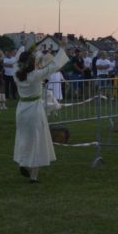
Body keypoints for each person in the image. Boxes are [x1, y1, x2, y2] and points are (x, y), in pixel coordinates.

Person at [13, 43, 69, 183]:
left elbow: (17, 60)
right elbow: (54, 65)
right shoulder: (35, 75)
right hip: (34, 110)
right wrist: (63, 48)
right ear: (32, 63)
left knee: (24, 138)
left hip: (21, 109)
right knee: (37, 140)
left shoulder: (16, 73)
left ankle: (24, 163)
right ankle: (34, 176)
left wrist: (29, 50)